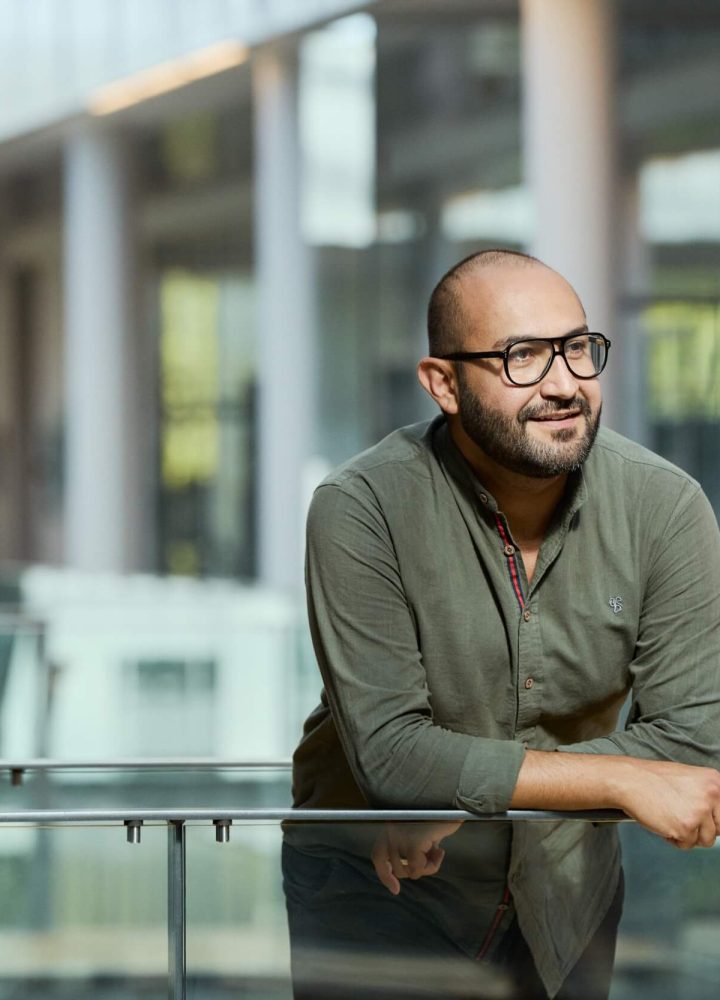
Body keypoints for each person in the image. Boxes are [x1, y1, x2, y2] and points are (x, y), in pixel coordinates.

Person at [283, 249, 720, 999]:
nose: (563, 384)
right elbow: (391, 754)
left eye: (577, 348)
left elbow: (693, 739)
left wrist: (456, 791)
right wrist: (617, 775)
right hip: (380, 898)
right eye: (521, 356)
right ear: (442, 383)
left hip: (567, 895)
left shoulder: (665, 508)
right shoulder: (361, 508)